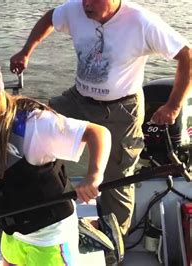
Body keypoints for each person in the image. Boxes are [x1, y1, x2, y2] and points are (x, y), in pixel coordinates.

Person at [10, 0, 191, 262]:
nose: (86, 4)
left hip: (121, 110)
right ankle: (37, 208)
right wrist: (26, 50)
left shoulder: (141, 22)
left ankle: (111, 246)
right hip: (78, 99)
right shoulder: (74, 10)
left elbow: (186, 54)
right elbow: (50, 17)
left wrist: (173, 106)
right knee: (33, 128)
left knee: (115, 180)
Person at [0, 60, 112, 266]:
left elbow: (98, 133)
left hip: (51, 241)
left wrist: (94, 175)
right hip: (14, 235)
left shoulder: (36, 124)